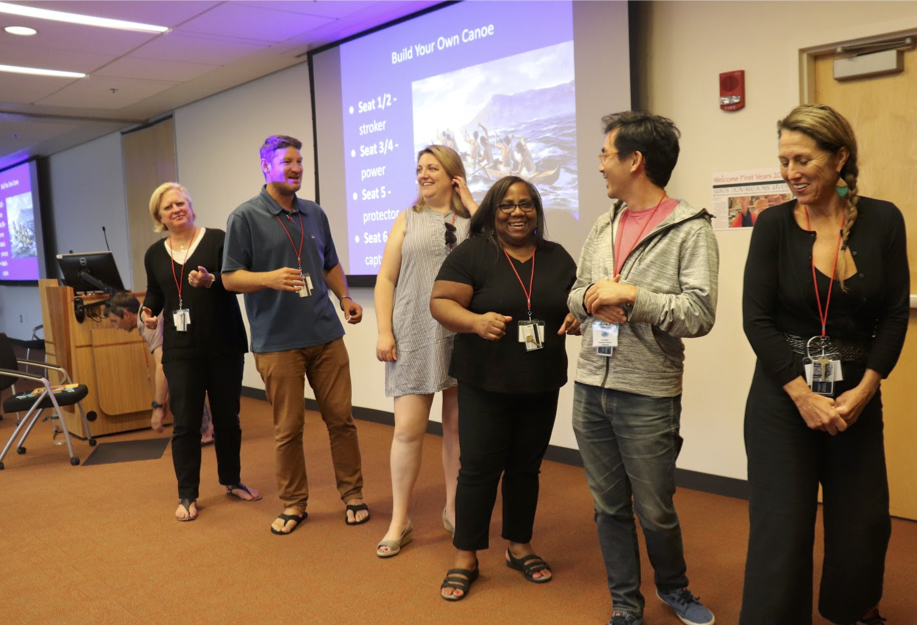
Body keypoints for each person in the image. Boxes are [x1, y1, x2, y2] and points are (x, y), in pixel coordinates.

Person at [740, 104, 908, 625]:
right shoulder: (773, 224)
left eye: (802, 159)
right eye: (784, 160)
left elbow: (896, 314)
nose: (791, 172)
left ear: (839, 158)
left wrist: (864, 391)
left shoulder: (883, 219)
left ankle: (853, 609)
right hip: (782, 395)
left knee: (863, 521)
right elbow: (756, 319)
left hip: (857, 393)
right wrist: (802, 395)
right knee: (781, 526)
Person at [567, 111, 718, 625]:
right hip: (590, 387)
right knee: (608, 508)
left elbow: (698, 314)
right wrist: (590, 298)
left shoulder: (691, 229)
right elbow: (575, 289)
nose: (600, 165)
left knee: (654, 510)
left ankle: (675, 589)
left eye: (606, 155)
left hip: (648, 394)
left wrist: (632, 296)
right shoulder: (603, 223)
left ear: (635, 160)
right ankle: (626, 605)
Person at [431, 176, 580, 601]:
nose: (518, 212)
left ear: (537, 210)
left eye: (527, 204)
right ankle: (465, 556)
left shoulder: (556, 256)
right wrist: (475, 322)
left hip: (540, 381)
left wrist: (579, 317)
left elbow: (577, 300)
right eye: (507, 205)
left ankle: (519, 546)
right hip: (486, 380)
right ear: (492, 211)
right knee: (478, 470)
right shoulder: (474, 253)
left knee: (525, 469)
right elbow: (440, 302)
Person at [222, 134, 369, 536]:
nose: (296, 167)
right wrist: (268, 278)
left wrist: (345, 297)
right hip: (277, 342)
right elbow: (230, 279)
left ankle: (353, 495)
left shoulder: (314, 213)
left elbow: (330, 262)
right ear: (266, 165)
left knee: (342, 420)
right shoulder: (245, 217)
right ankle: (293, 503)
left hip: (325, 334)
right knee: (288, 429)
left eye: (300, 161)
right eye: (287, 161)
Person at [374, 145, 478, 557]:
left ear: (454, 175)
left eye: (432, 167)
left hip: (462, 333)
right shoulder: (407, 218)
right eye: (419, 168)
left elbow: (498, 241)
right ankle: (401, 520)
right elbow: (385, 278)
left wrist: (469, 200)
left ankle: (453, 508)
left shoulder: (474, 220)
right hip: (414, 332)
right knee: (407, 430)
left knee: (457, 429)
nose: (422, 174)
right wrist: (384, 331)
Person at [141, 182, 261, 522]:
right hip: (180, 351)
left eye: (180, 203)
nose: (176, 209)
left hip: (223, 344)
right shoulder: (154, 254)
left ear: (191, 207)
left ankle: (232, 480)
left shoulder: (219, 239)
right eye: (168, 207)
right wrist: (147, 313)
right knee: (186, 424)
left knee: (228, 419)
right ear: (159, 217)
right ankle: (187, 493)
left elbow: (238, 280)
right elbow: (155, 294)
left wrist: (212, 280)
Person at [105, 291, 214, 445]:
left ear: (126, 314)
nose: (116, 327)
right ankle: (207, 428)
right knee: (183, 376)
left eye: (114, 321)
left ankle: (205, 431)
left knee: (182, 378)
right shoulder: (148, 312)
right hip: (195, 345)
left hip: (201, 344)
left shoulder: (147, 322)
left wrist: (158, 406)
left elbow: (162, 366)